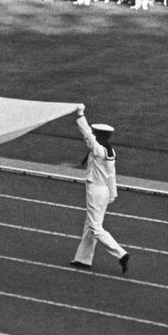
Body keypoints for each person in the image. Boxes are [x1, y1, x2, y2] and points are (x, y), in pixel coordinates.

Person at [69, 111, 130, 274]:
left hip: (95, 190)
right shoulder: (111, 151)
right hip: (104, 190)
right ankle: (83, 259)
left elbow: (87, 135)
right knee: (89, 226)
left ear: (100, 136)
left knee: (95, 227)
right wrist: (112, 194)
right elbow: (112, 174)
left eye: (96, 134)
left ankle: (121, 253)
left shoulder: (98, 149)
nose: (94, 135)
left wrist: (81, 115)